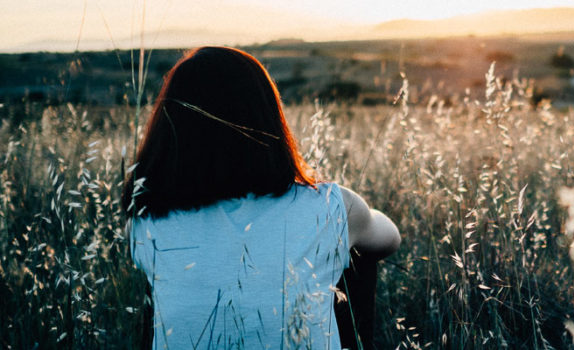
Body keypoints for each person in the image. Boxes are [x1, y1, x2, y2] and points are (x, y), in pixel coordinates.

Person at [123, 46, 400, 349]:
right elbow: (389, 239)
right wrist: (360, 216)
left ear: (170, 127)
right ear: (267, 117)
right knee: (355, 260)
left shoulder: (146, 221)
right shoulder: (329, 208)